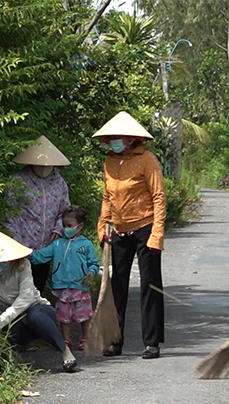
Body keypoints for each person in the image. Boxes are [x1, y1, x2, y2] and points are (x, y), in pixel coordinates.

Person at [93, 111, 166, 360]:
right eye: (111, 137)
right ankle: (114, 342)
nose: (115, 141)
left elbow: (158, 197)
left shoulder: (147, 160)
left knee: (150, 284)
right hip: (119, 230)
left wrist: (156, 234)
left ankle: (152, 342)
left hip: (145, 226)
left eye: (119, 137)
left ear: (132, 139)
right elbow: (107, 197)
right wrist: (103, 226)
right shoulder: (109, 162)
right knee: (117, 286)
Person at [0, 230, 77, 372]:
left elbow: (26, 297)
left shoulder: (22, 266)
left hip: (36, 309)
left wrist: (0, 321)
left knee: (35, 316)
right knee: (8, 330)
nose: (0, 265)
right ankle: (8, 361)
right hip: (10, 318)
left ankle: (65, 350)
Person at [4, 135, 72, 294]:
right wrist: (17, 244)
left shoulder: (59, 183)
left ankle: (37, 315)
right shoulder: (17, 182)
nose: (43, 168)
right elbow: (9, 214)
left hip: (47, 246)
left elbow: (64, 211)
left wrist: (58, 229)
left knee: (38, 287)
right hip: (21, 245)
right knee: (20, 289)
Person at [30, 206, 99, 351]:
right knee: (63, 315)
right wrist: (26, 255)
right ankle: (66, 339)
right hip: (62, 286)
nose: (65, 229)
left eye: (69, 226)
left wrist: (91, 272)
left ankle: (85, 338)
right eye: (64, 225)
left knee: (84, 314)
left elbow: (93, 263)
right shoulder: (57, 244)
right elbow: (41, 256)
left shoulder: (86, 245)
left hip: (81, 286)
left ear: (80, 226)